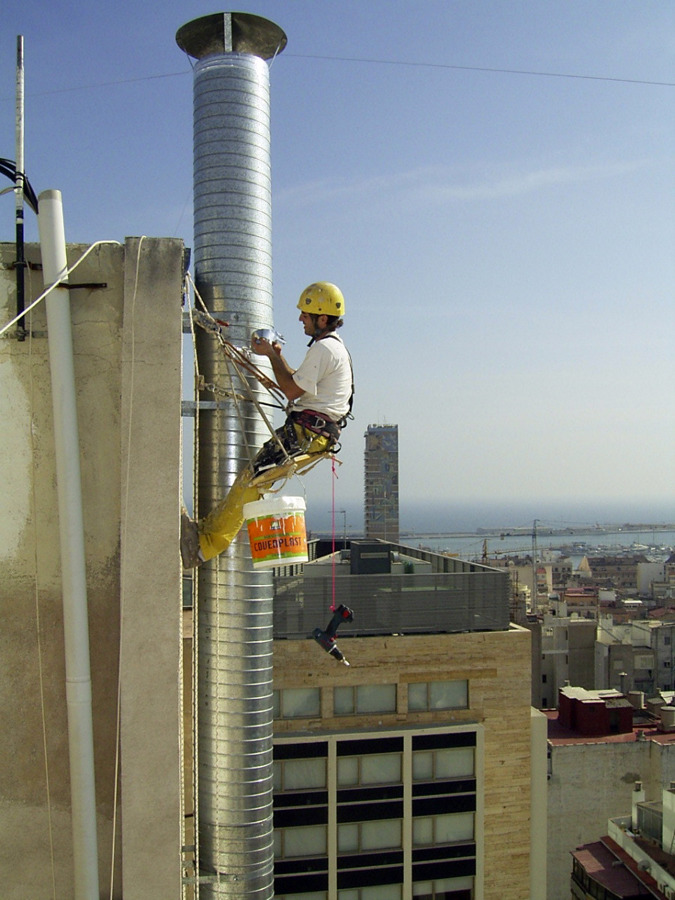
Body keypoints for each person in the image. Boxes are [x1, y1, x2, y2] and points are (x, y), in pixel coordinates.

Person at [181, 281, 353, 568]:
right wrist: (276, 355)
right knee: (250, 479)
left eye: (306, 315)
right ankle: (204, 534)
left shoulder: (325, 349)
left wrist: (272, 355)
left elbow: (291, 390)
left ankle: (204, 547)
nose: (300, 319)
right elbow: (297, 381)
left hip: (307, 434)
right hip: (311, 432)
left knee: (251, 481)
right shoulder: (332, 348)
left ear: (323, 319)